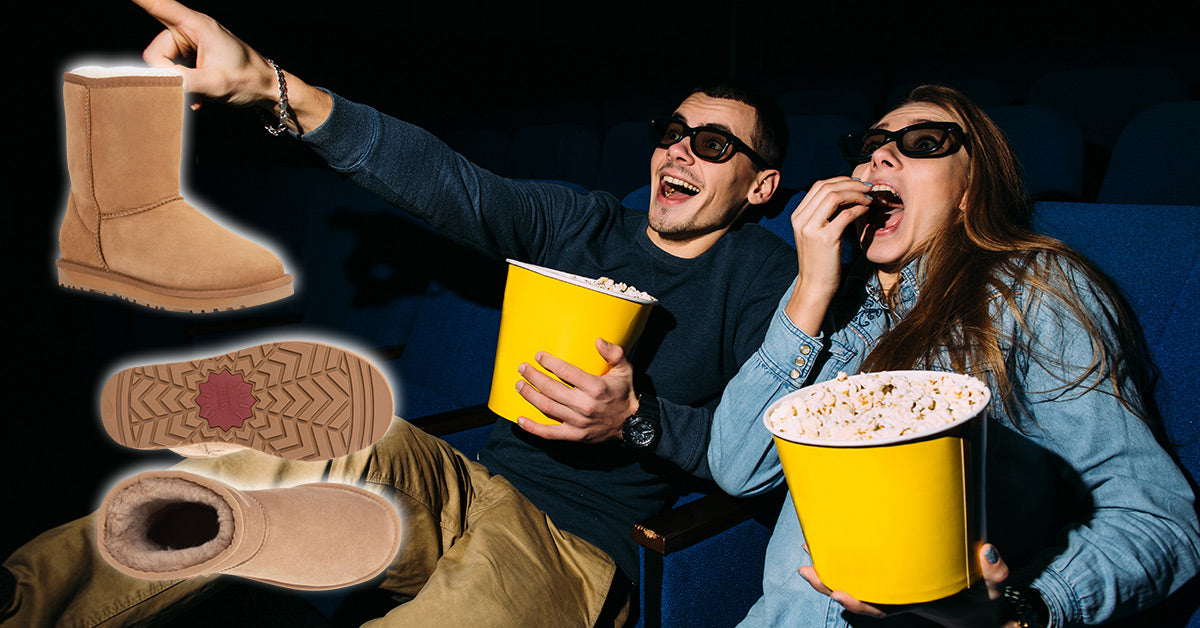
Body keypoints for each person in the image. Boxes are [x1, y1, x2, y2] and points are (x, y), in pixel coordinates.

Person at [2, 0, 797, 626]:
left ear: (760, 187)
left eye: (715, 146)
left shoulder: (767, 279)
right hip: (471, 483)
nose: (681, 151)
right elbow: (456, 187)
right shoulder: (588, 222)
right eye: (673, 133)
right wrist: (273, 87)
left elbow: (771, 458)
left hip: (575, 548)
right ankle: (24, 603)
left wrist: (637, 419)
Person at [707, 84, 1200, 627]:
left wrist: (1020, 610)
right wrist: (808, 294)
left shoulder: (1026, 290)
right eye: (872, 145)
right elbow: (739, 469)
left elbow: (1157, 518)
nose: (880, 156)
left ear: (970, 189)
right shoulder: (828, 305)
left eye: (922, 142)